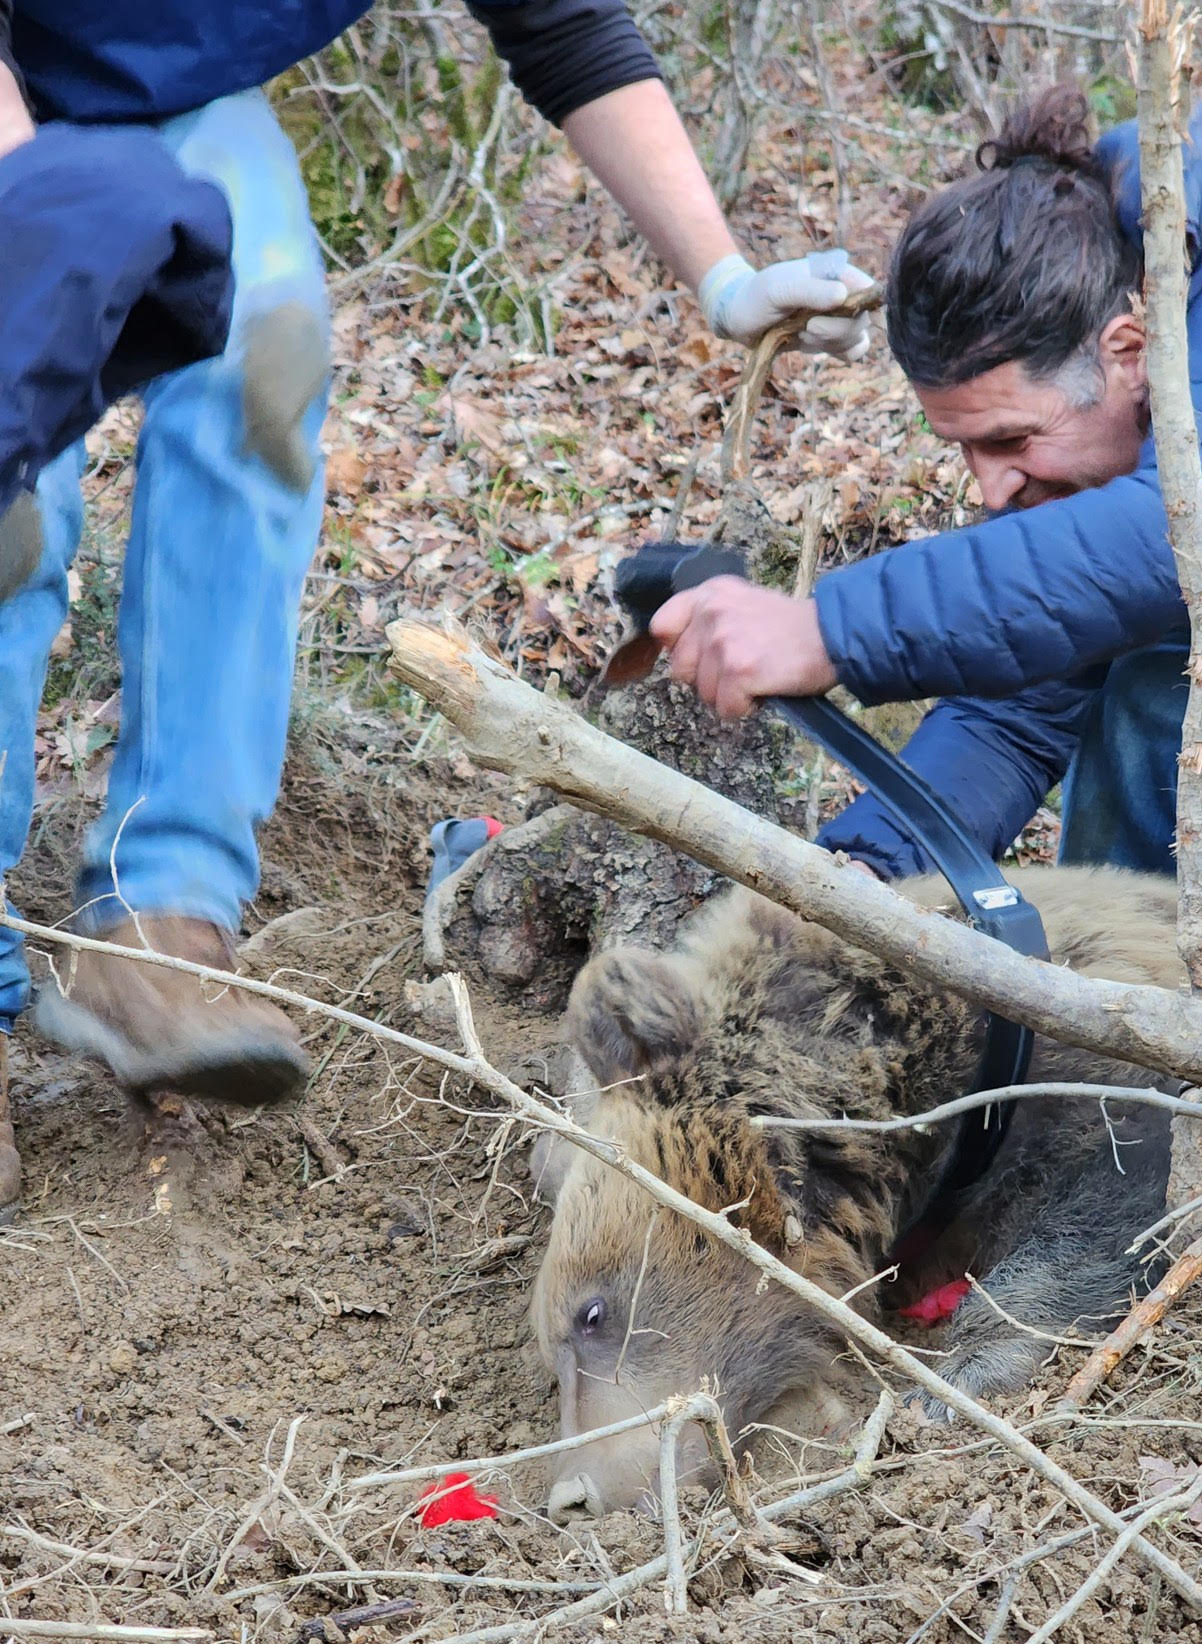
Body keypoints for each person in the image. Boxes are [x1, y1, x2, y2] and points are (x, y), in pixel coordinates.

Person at [0, 1, 870, 1211]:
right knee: (15, 505)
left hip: (169, 93)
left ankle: (162, 915)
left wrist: (723, 279)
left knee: (266, 350)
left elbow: (562, 25)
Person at [652, 85, 1202, 893]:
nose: (992, 490)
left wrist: (828, 628)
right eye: (964, 449)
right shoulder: (1125, 383)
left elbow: (1179, 540)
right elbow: (1021, 699)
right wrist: (872, 875)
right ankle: (1117, 1024)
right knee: (1149, 711)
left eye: (1009, 439)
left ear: (1126, 348)